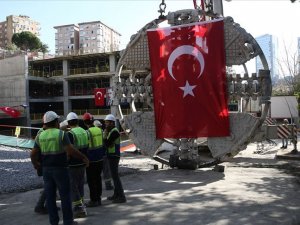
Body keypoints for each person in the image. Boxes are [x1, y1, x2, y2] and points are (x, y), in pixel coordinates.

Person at [30, 111, 89, 225]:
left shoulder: (40, 135)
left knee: (51, 197)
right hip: (61, 169)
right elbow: (70, 150)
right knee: (65, 196)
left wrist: (36, 164)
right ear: (56, 122)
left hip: (47, 171)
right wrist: (83, 157)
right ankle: (68, 222)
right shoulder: (61, 134)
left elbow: (33, 154)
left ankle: (54, 222)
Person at [66, 112, 89, 218]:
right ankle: (82, 204)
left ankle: (78, 208)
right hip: (83, 162)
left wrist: (67, 159)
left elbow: (69, 150)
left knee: (72, 186)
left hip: (73, 164)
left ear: (68, 122)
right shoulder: (84, 131)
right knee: (80, 185)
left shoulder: (70, 134)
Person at [83, 113, 106, 207]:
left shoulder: (87, 132)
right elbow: (104, 143)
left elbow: (85, 147)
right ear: (92, 120)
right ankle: (99, 198)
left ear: (84, 122)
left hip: (91, 160)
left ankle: (94, 200)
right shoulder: (100, 130)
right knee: (98, 178)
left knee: (91, 180)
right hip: (100, 159)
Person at [103, 114, 126, 203]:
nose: (106, 124)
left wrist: (105, 135)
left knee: (115, 177)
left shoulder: (114, 132)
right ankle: (116, 194)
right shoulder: (112, 131)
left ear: (112, 123)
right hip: (111, 156)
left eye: (107, 122)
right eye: (105, 122)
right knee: (114, 176)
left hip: (114, 156)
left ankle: (121, 196)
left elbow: (107, 144)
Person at [94, 120, 113, 191]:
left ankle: (96, 186)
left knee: (97, 172)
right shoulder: (103, 132)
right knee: (106, 171)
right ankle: (108, 185)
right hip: (104, 154)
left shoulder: (92, 133)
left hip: (96, 156)